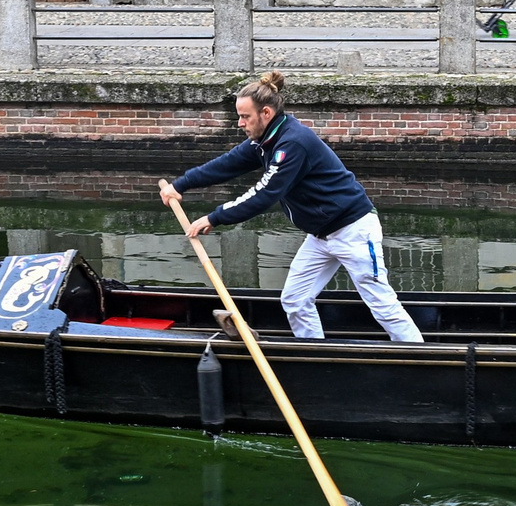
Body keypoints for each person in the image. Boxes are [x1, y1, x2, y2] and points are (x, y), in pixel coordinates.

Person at [159, 71, 423, 343]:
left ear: (266, 113)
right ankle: (314, 355)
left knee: (381, 304)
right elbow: (226, 164)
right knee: (295, 300)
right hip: (320, 235)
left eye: (245, 117)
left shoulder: (291, 143)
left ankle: (421, 358)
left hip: (353, 230)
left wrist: (215, 217)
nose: (240, 123)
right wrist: (180, 185)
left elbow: (264, 193)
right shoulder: (264, 141)